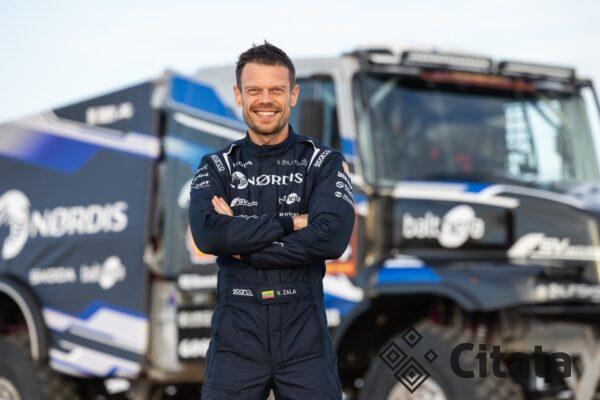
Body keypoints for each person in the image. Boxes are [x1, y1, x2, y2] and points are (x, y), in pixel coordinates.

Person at [189, 42, 355, 399]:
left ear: (293, 95)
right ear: (238, 95)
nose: (265, 100)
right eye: (254, 90)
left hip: (304, 338)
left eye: (276, 90)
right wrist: (291, 223)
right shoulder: (217, 166)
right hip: (236, 338)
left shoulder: (323, 162)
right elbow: (209, 235)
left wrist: (241, 247)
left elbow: (330, 239)